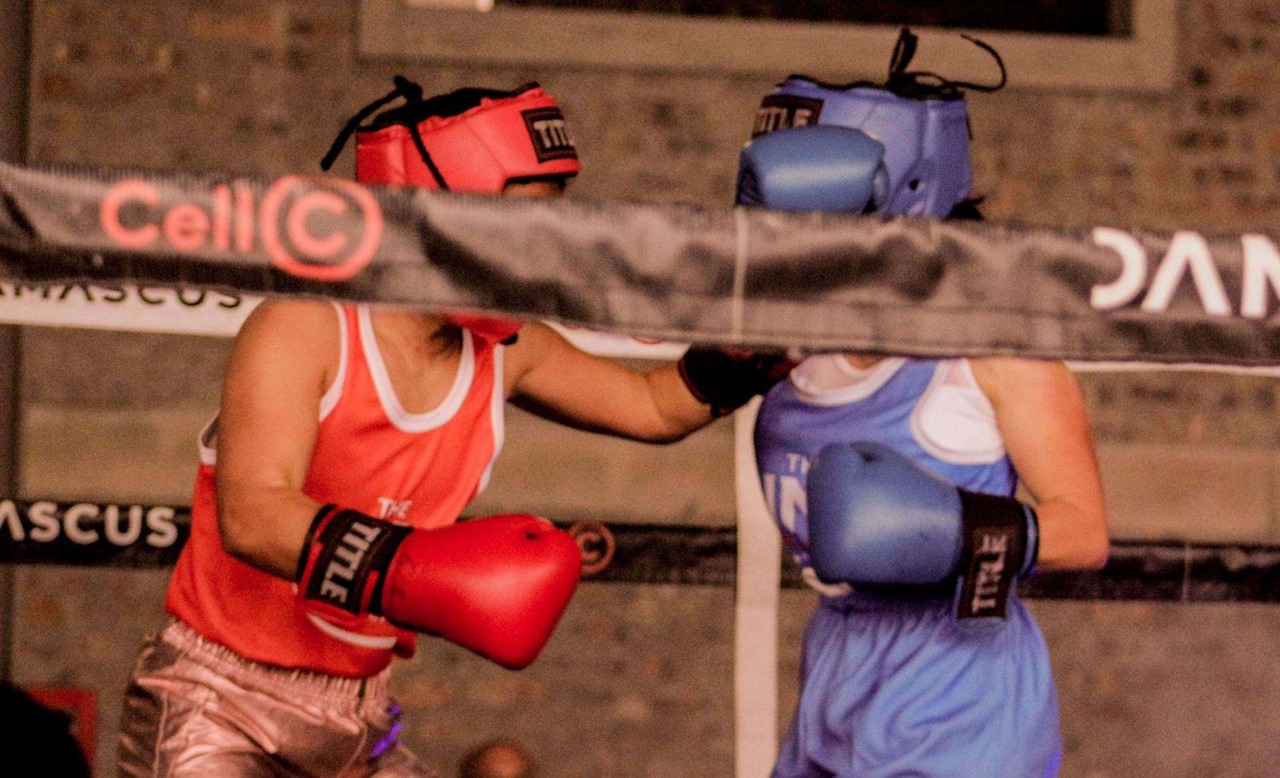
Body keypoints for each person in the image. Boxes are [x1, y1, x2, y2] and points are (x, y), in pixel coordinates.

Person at [117, 76, 791, 776]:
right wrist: (415, 571)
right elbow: (253, 515)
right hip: (221, 704)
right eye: (515, 226)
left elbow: (652, 405)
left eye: (549, 227)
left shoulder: (507, 349)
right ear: (429, 215)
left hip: (362, 719)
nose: (536, 254)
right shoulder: (307, 329)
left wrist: (752, 354)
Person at [743, 30, 1110, 777]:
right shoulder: (781, 340)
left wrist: (954, 530)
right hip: (836, 671)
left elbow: (1085, 531)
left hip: (959, 690)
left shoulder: (994, 351)